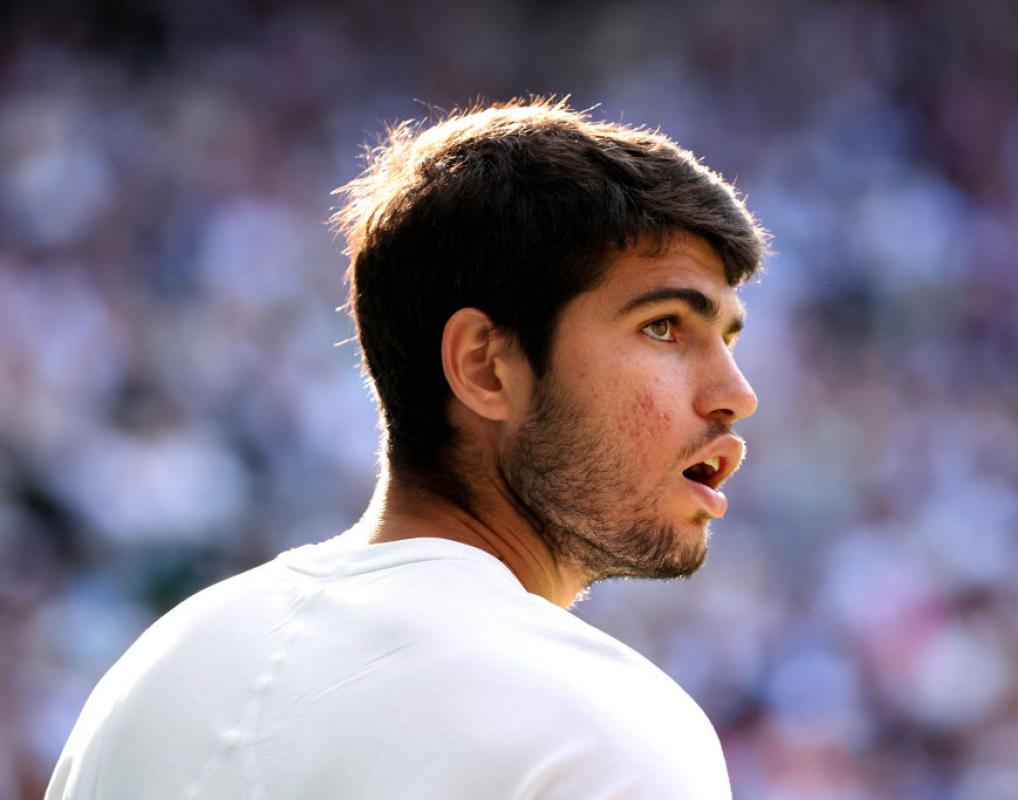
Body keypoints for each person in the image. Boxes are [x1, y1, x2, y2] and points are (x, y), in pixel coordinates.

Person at [46, 98, 767, 799]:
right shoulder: (610, 732)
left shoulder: (155, 672)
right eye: (663, 327)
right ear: (485, 366)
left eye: (729, 339)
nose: (736, 394)